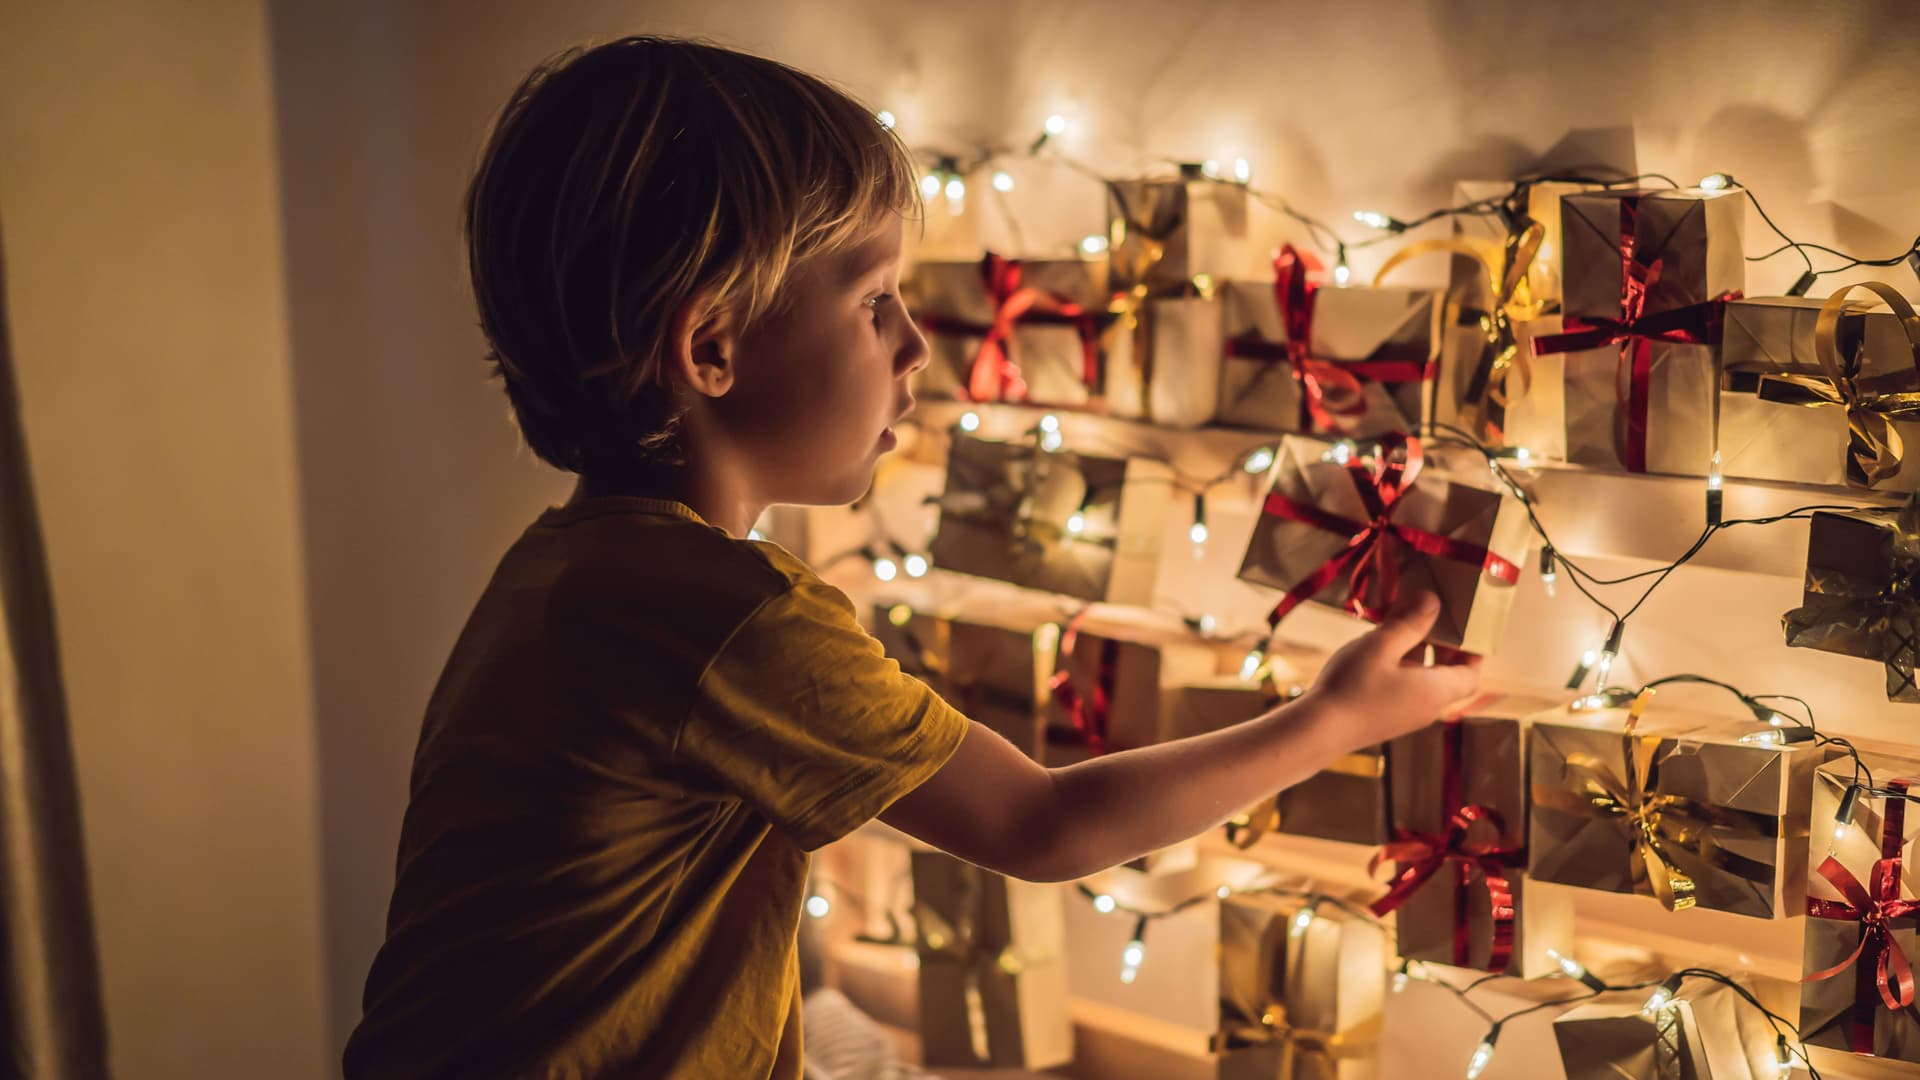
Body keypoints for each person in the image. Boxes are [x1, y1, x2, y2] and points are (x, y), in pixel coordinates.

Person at [341, 34, 1481, 1080]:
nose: (918, 346)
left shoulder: (559, 574)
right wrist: (1332, 721)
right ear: (711, 346)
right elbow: (1045, 826)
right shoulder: (729, 617)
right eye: (875, 301)